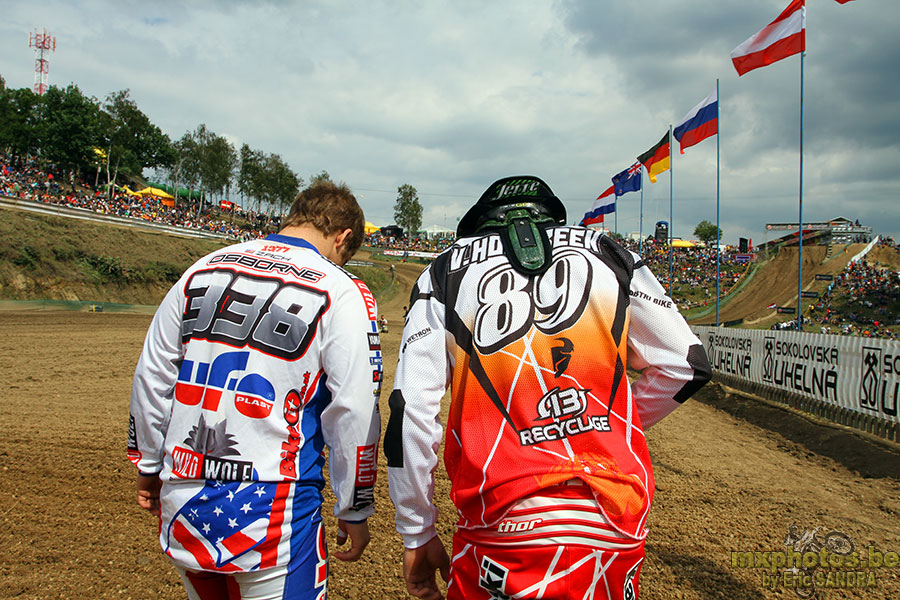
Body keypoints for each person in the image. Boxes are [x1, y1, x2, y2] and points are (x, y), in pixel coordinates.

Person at [385, 176, 712, 599]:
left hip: (504, 517)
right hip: (614, 511)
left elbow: (411, 409)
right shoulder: (610, 252)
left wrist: (417, 529)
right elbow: (686, 365)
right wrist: (610, 423)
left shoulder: (446, 269)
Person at [129, 181, 383, 600]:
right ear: (344, 237)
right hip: (272, 514)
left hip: (184, 498)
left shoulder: (203, 267)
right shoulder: (340, 287)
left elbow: (153, 375)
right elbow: (354, 408)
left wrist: (149, 465)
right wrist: (354, 507)